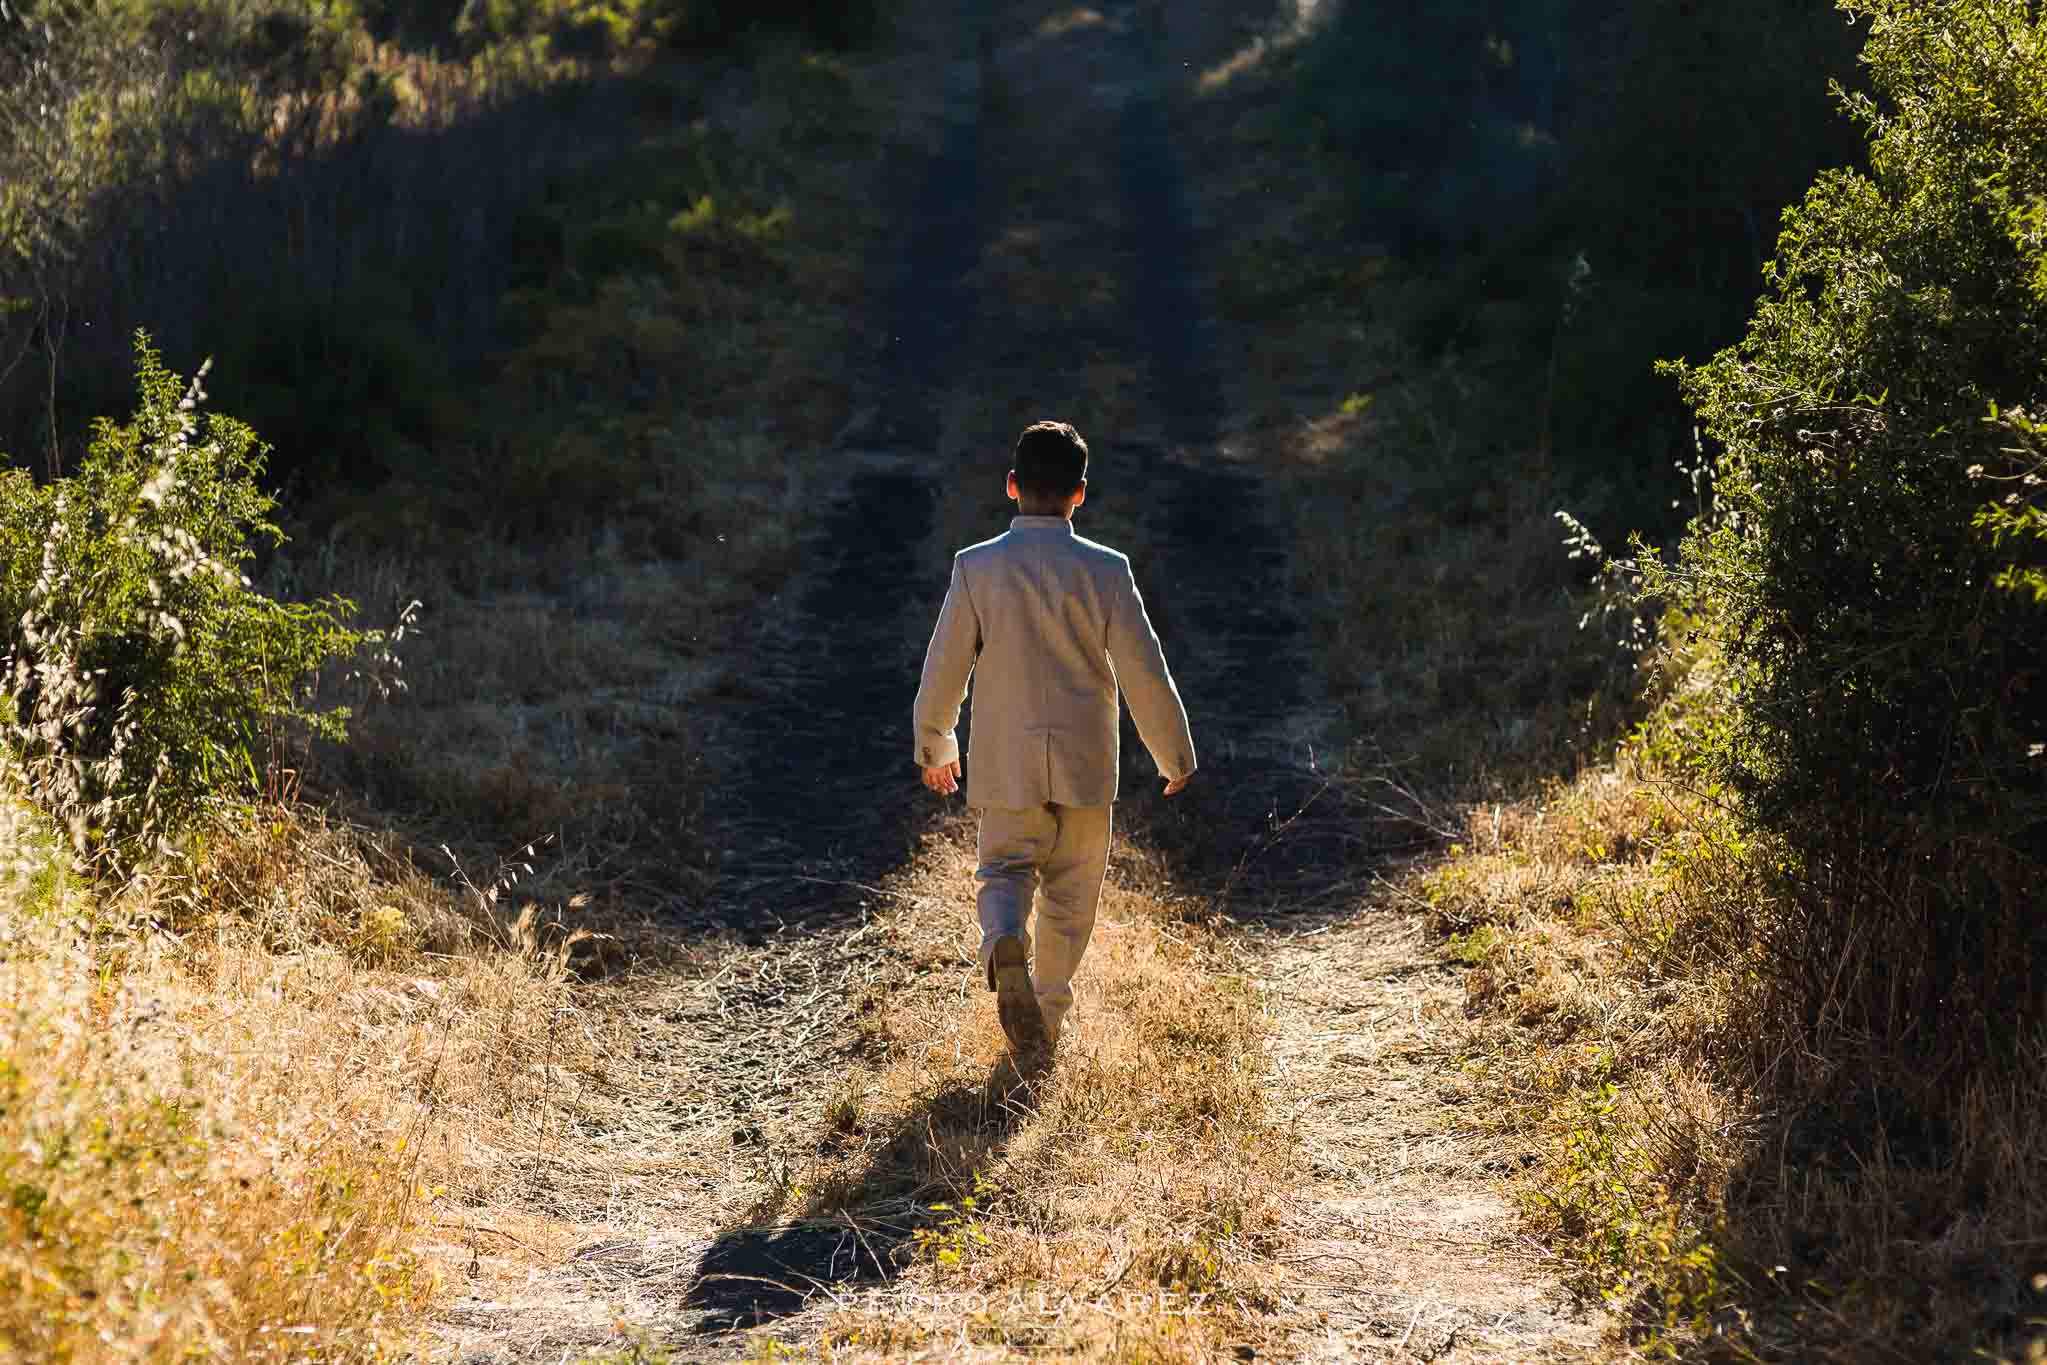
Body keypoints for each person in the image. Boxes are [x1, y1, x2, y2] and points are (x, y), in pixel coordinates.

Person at [911, 420, 1197, 1053]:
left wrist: (937, 742)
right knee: (1071, 896)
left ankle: (1004, 940)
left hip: (1005, 761)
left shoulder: (975, 568)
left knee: (1004, 870)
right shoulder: (1107, 570)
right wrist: (1173, 752)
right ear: (1081, 494)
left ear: (1012, 485)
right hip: (1085, 764)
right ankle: (1046, 1016)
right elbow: (1144, 669)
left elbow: (945, 665)